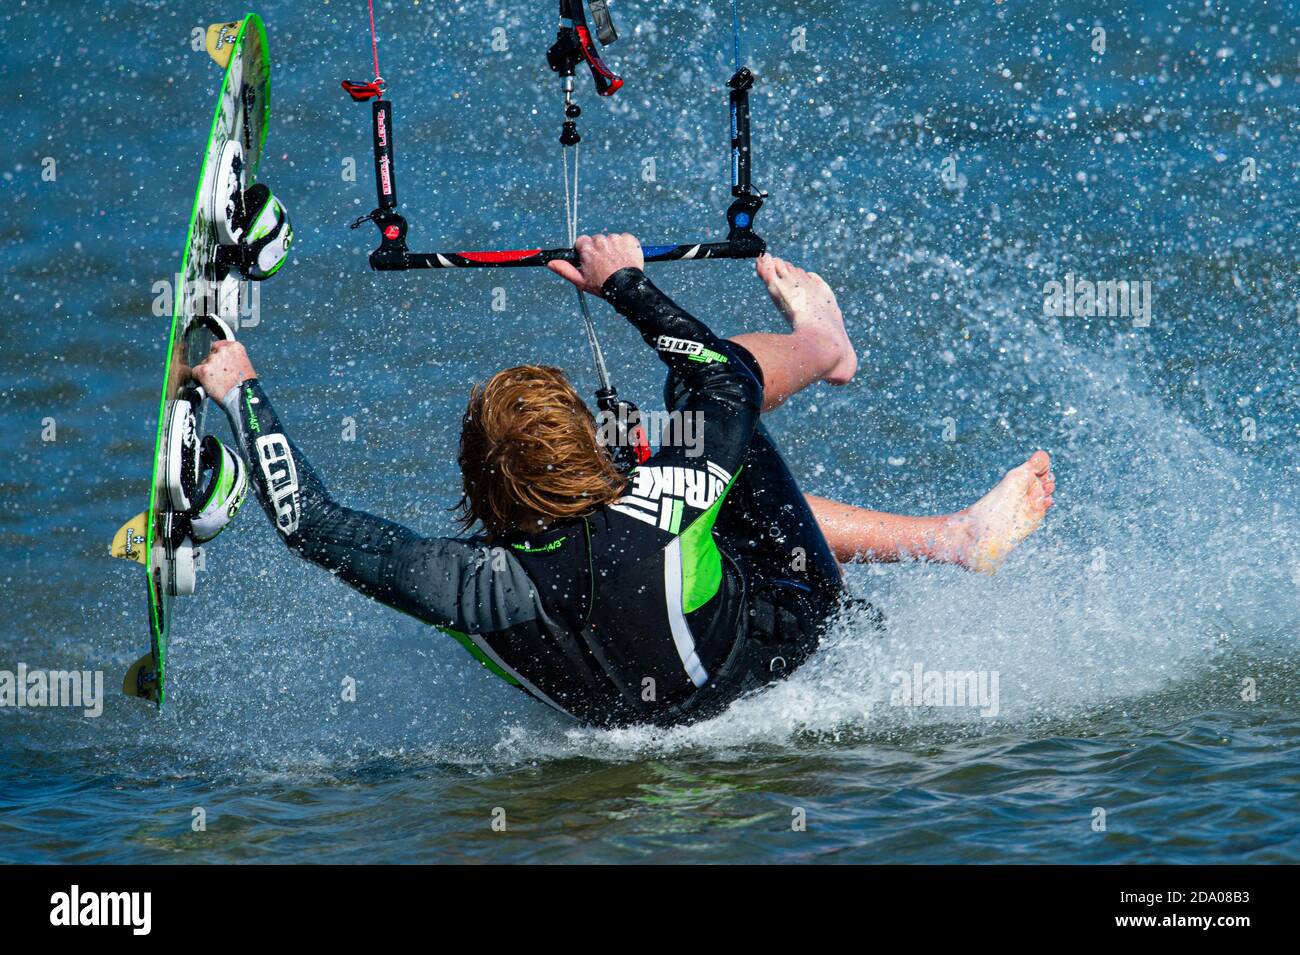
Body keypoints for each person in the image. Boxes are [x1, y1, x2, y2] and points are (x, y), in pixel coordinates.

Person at [194, 234, 1054, 727]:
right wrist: (627, 285)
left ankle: (949, 536)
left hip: (634, 721)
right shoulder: (666, 497)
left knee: (675, 447)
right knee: (703, 405)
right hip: (792, 647)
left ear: (476, 480)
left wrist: (240, 388)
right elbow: (724, 381)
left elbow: (309, 519)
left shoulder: (464, 584)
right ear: (579, 446)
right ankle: (834, 356)